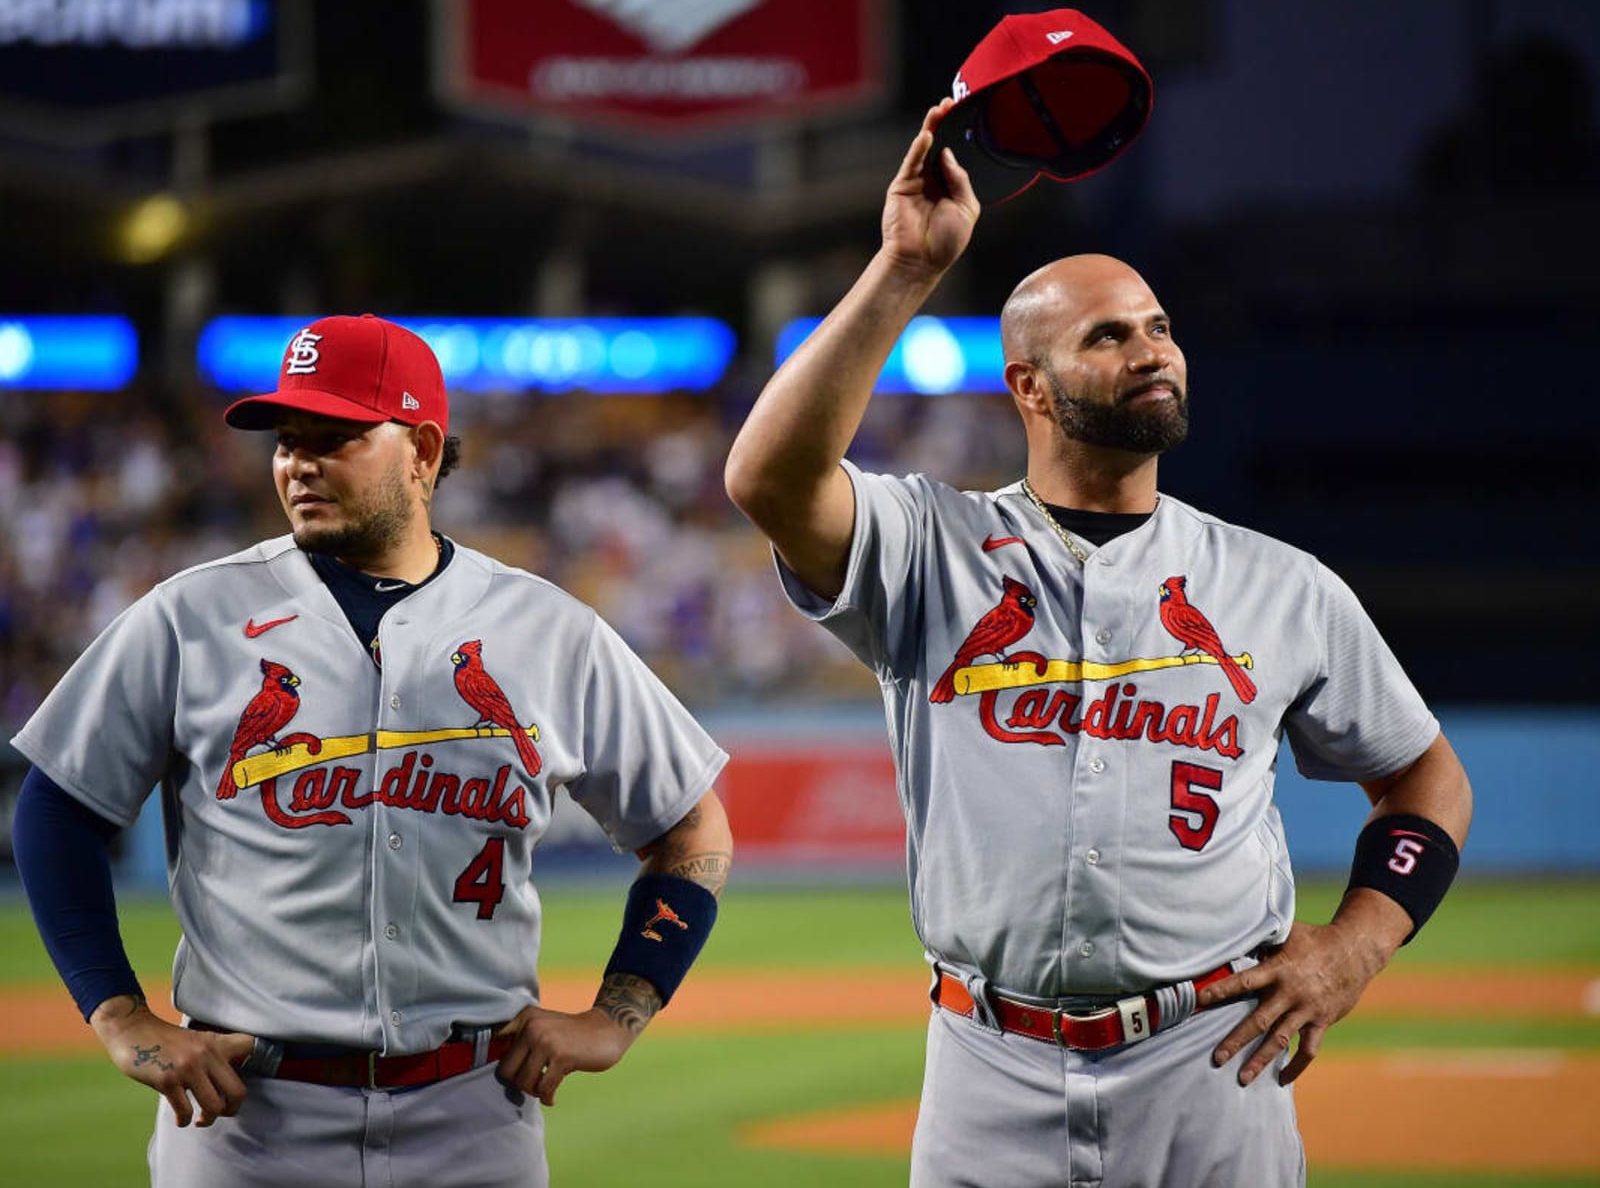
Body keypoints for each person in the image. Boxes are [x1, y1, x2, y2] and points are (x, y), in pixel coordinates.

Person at [724, 101, 1472, 1187]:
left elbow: (1425, 780)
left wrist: (1356, 943)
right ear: (1028, 386)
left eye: (1159, 326)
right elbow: (765, 480)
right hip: (987, 1065)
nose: (1150, 350)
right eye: (1107, 335)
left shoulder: (1279, 584)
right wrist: (902, 269)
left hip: (1212, 1062)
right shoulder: (933, 550)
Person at [11, 313, 732, 1188]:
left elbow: (691, 830)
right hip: (248, 1123)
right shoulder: (189, 615)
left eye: (336, 437)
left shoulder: (549, 630)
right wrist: (119, 1014)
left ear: (424, 451)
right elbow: (56, 807)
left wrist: (620, 1013)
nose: (298, 462)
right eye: (287, 439)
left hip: (475, 1117)